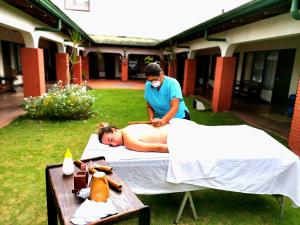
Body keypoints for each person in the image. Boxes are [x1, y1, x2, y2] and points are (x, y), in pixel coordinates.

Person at [144, 62, 190, 127]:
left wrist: (162, 121)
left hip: (178, 118)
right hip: (160, 118)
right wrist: (151, 119)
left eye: (154, 79)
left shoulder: (172, 83)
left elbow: (174, 107)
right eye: (150, 80)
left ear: (161, 74)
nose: (152, 82)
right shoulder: (148, 85)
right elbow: (149, 106)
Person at [97, 122, 169, 153]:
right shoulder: (128, 128)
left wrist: (177, 149)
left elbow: (158, 147)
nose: (114, 144)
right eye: (110, 144)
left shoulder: (128, 140)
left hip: (174, 136)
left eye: (111, 140)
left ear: (114, 130)